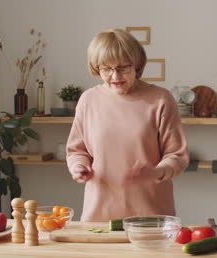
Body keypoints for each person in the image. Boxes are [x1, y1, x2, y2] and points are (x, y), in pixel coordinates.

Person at [66, 28, 189, 222]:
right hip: (99, 214)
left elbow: (177, 156)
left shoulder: (160, 99)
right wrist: (78, 166)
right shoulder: (88, 100)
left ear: (137, 65)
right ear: (96, 68)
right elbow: (76, 150)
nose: (115, 76)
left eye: (123, 67)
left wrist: (156, 172)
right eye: (106, 68)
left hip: (151, 214)